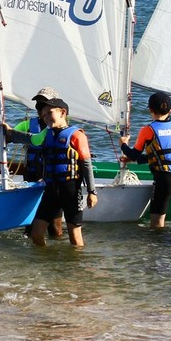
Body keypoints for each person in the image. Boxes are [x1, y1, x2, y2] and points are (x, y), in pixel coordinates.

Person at [0, 86, 64, 237]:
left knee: (55, 228)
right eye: (38, 105)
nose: (41, 108)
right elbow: (7, 137)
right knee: (30, 225)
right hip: (32, 179)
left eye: (44, 104)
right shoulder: (28, 125)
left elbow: (39, 140)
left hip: (53, 181)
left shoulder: (61, 127)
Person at [27, 98, 98, 247]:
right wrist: (8, 132)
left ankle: (77, 268)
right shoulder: (47, 135)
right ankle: (47, 263)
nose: (46, 118)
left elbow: (86, 165)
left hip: (70, 191)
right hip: (51, 191)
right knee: (36, 233)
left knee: (75, 237)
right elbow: (28, 139)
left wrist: (92, 192)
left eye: (50, 113)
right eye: (44, 115)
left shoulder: (76, 135)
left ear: (63, 113)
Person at [119, 92, 171, 229]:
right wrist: (136, 161)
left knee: (157, 224)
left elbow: (135, 154)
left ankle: (158, 250)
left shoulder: (147, 130)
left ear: (150, 110)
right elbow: (165, 155)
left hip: (164, 178)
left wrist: (123, 144)